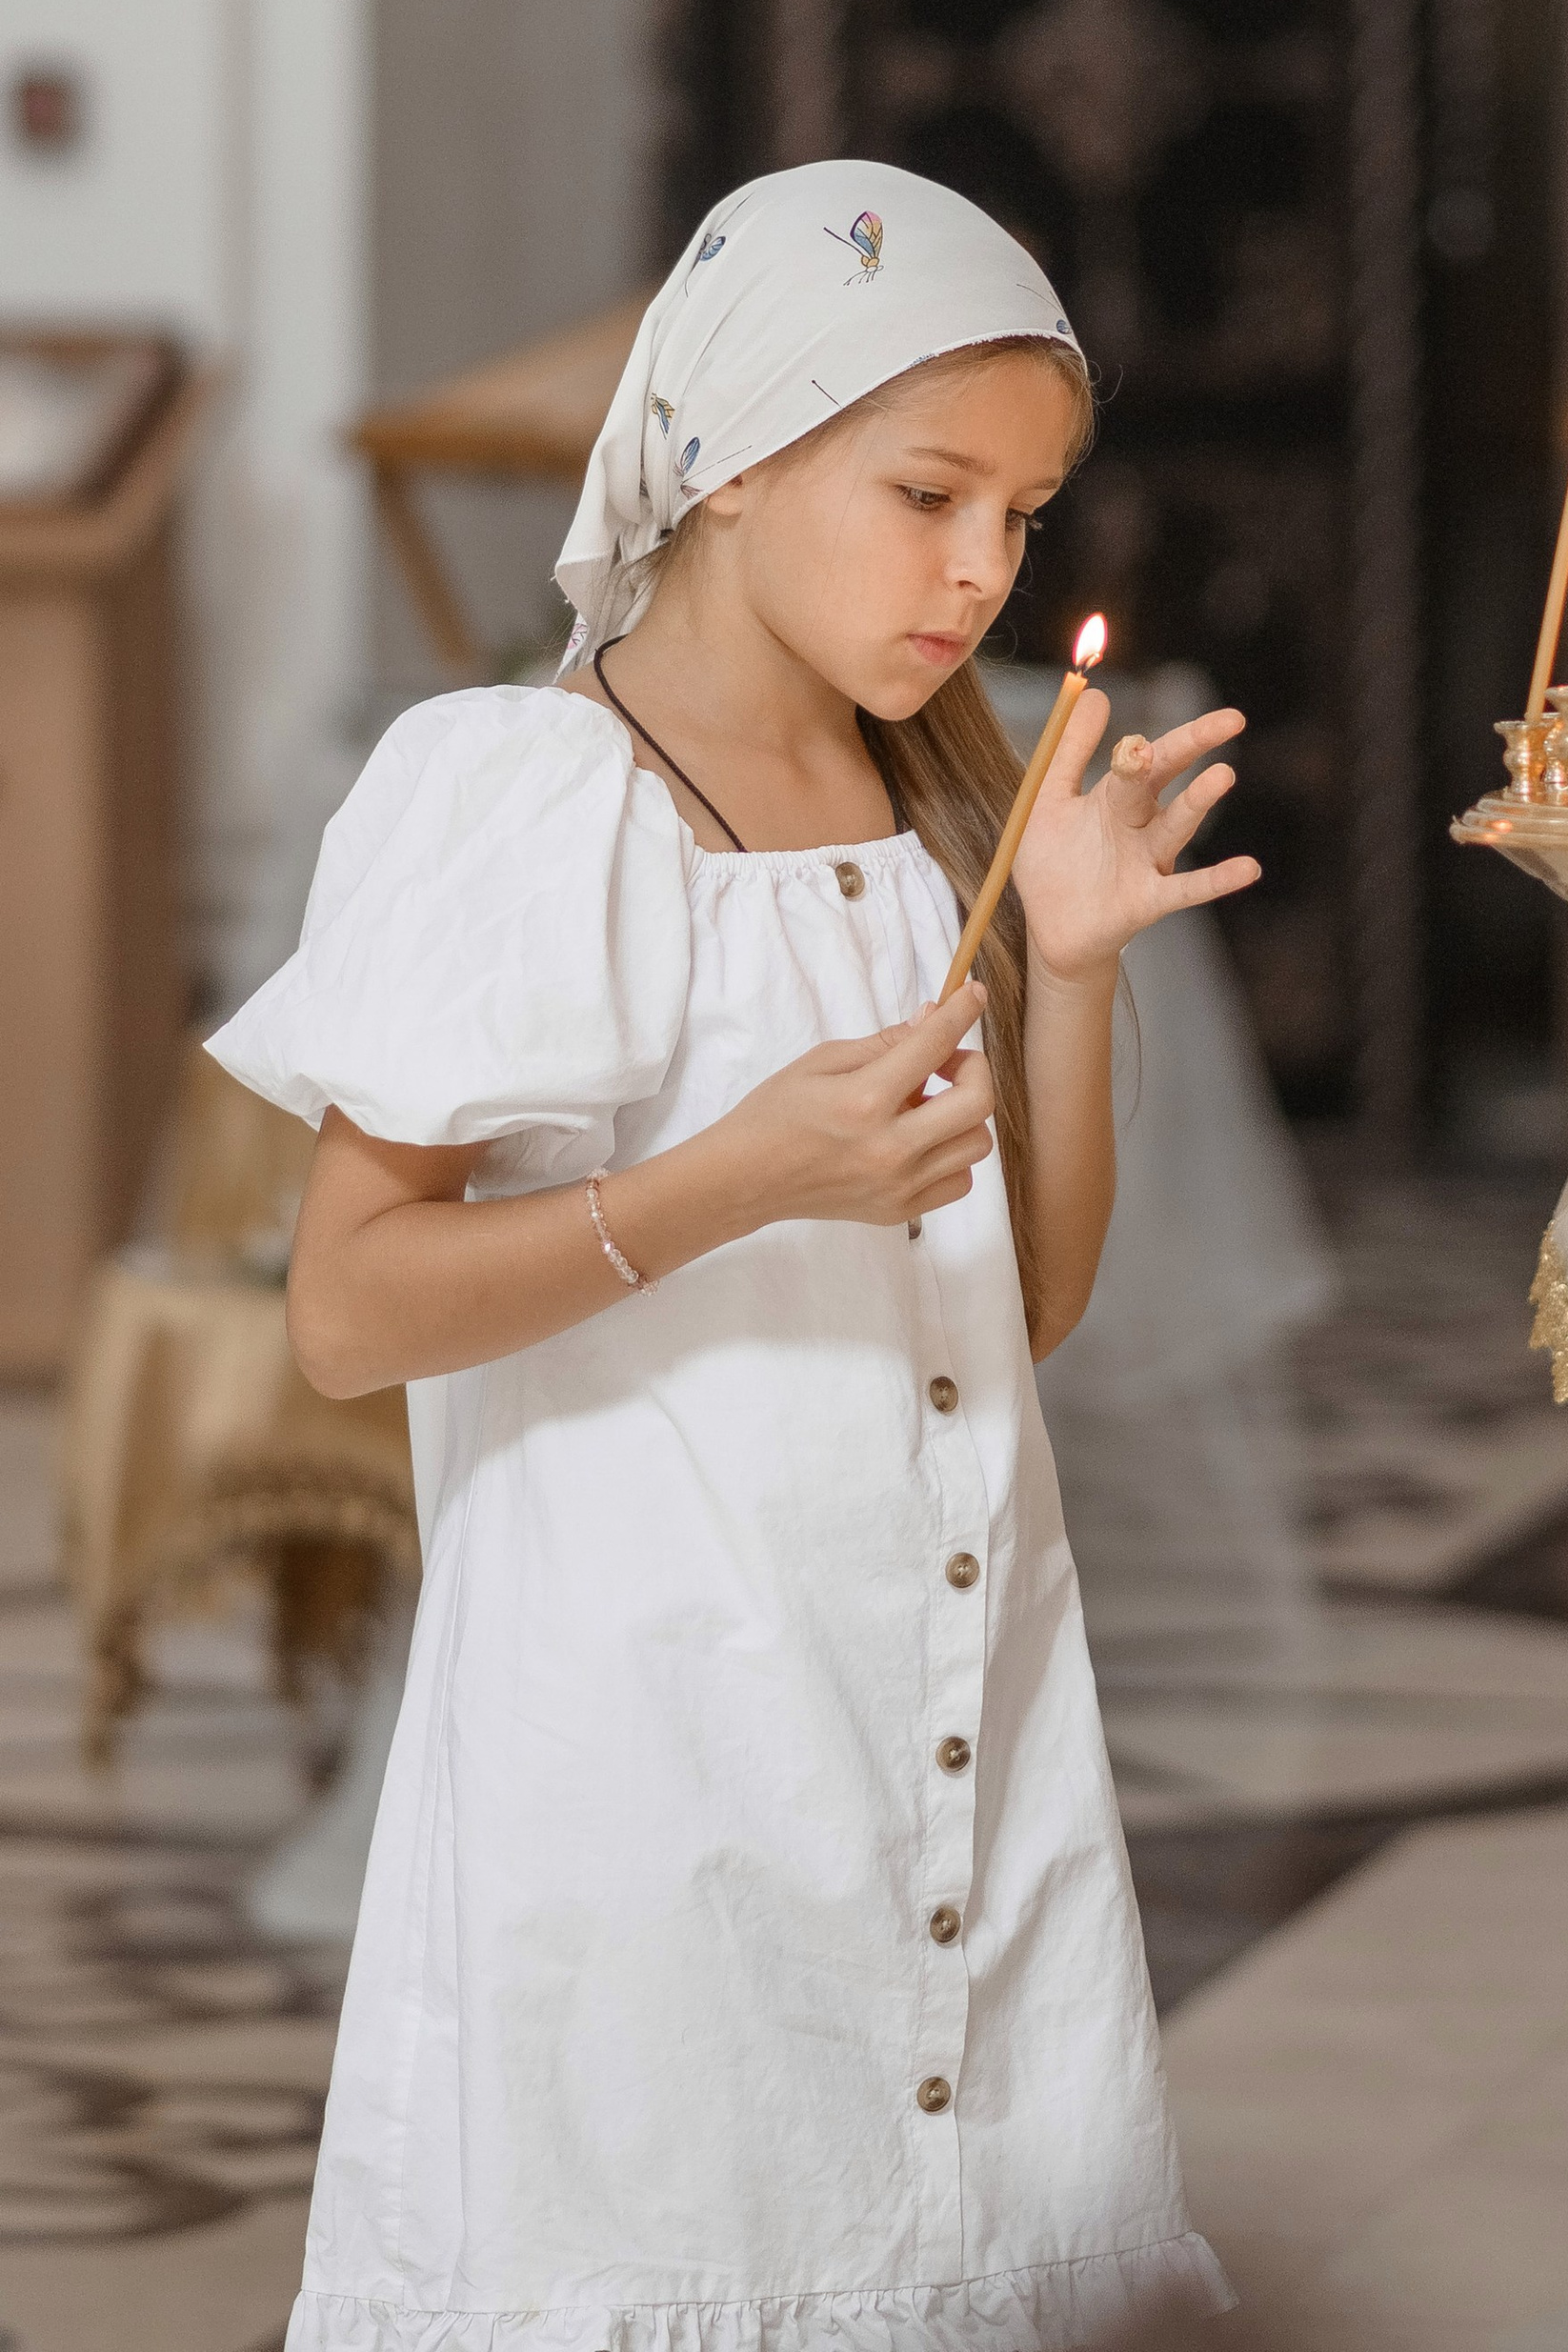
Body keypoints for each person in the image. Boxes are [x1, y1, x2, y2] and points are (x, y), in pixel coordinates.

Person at [210, 162, 1256, 2352]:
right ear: (733, 458)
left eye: (1025, 517)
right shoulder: (532, 790)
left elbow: (1017, 1310)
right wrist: (735, 1180)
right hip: (654, 1773)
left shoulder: (928, 817)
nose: (980, 566)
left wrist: (1063, 966)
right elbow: (344, 1308)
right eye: (927, 492)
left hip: (958, 1748)